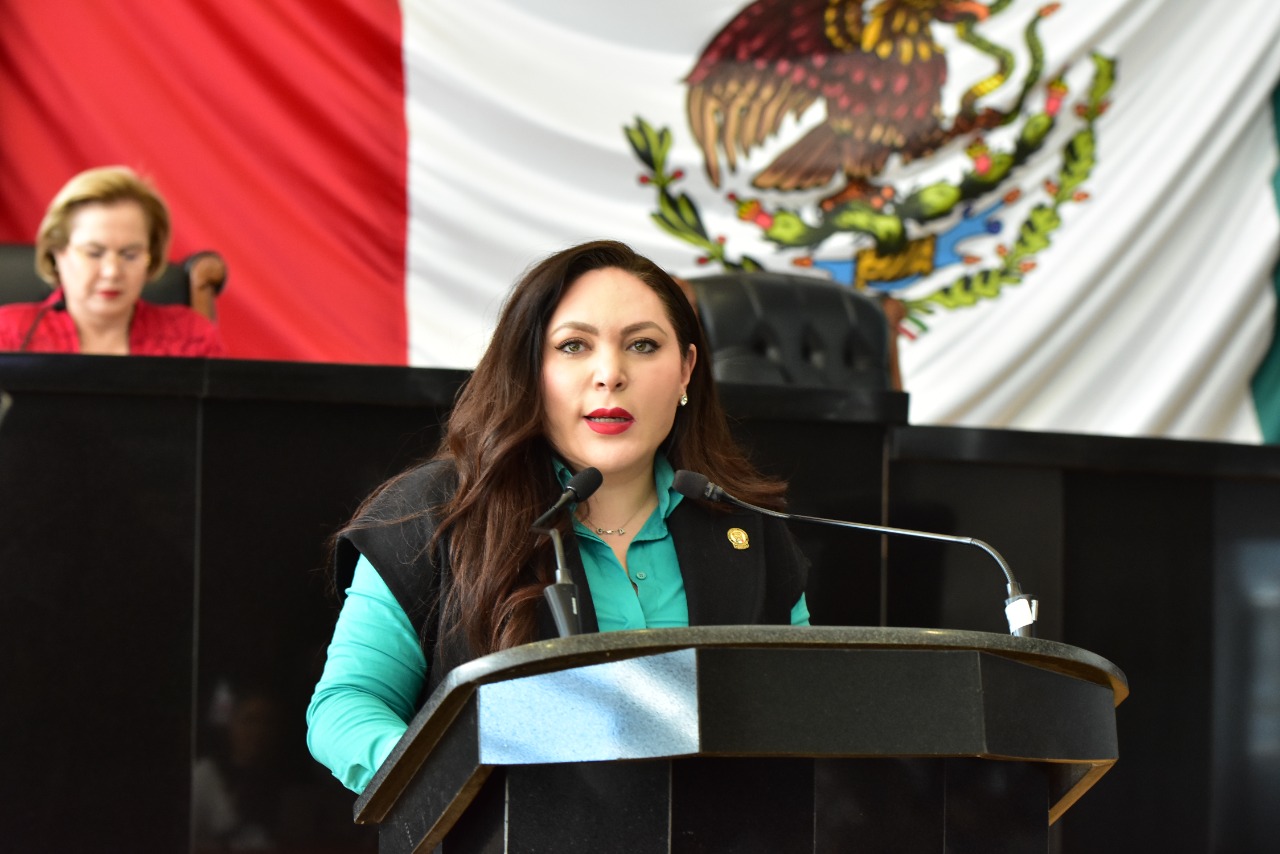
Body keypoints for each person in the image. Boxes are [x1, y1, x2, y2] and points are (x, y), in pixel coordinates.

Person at [306, 239, 811, 794]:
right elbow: (347, 706)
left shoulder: (744, 524)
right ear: (530, 369)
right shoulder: (436, 512)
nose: (610, 374)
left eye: (642, 345)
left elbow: (804, 705)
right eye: (574, 346)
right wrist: (448, 786)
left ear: (686, 370)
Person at [0, 165, 225, 356]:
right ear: (57, 254)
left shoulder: (190, 336)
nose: (112, 272)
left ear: (151, 257)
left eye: (130, 255)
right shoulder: (8, 333)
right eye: (94, 253)